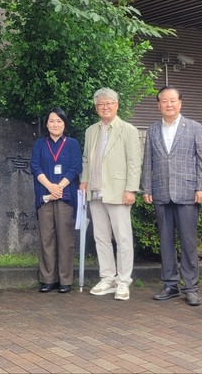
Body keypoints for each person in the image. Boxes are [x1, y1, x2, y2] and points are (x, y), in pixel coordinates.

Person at [141, 86, 202, 307]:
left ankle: (191, 287)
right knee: (165, 241)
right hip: (161, 191)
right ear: (158, 105)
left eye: (172, 100)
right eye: (164, 101)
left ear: (180, 102)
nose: (168, 104)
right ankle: (170, 284)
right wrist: (147, 188)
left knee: (188, 242)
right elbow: (148, 161)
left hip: (187, 192)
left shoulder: (195, 127)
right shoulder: (153, 129)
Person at [80, 89, 142, 300]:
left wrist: (131, 189)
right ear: (96, 107)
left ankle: (123, 281)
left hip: (118, 191)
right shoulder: (91, 130)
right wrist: (84, 180)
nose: (105, 107)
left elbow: (134, 162)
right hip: (95, 191)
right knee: (101, 237)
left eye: (109, 103)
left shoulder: (128, 130)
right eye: (101, 104)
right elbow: (86, 159)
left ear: (117, 105)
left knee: (123, 238)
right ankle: (107, 278)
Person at [30, 107, 82, 294]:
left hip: (65, 197)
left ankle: (65, 280)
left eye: (59, 121)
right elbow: (35, 167)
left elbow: (75, 167)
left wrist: (59, 187)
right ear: (46, 124)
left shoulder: (72, 144)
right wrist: (50, 187)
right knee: (46, 239)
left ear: (64, 124)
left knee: (65, 240)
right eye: (51, 121)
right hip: (45, 197)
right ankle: (48, 279)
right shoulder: (39, 144)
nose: (55, 124)